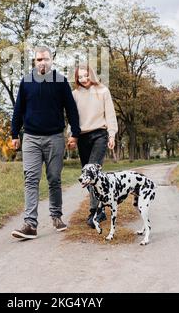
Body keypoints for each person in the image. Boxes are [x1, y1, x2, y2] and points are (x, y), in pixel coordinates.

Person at [11, 46, 80, 240]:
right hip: (31, 138)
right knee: (31, 179)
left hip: (55, 137)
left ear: (51, 60)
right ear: (34, 62)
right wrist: (14, 134)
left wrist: (74, 133)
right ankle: (30, 224)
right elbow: (18, 109)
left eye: (46, 59)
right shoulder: (26, 81)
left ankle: (56, 216)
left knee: (54, 179)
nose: (42, 62)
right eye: (39, 59)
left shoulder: (60, 81)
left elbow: (71, 109)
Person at [70, 64, 118, 228]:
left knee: (91, 172)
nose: (83, 79)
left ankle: (95, 212)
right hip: (83, 137)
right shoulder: (74, 95)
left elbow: (110, 114)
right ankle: (101, 208)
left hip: (100, 134)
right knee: (87, 175)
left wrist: (111, 135)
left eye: (86, 75)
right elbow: (73, 117)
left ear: (92, 75)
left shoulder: (103, 91)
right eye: (80, 77)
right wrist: (72, 136)